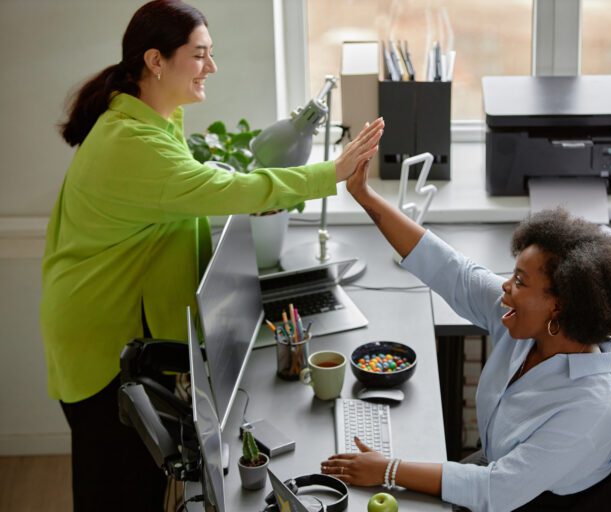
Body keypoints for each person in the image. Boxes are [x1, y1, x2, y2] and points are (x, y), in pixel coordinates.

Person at [39, 1, 383, 510]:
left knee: (141, 479)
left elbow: (185, 201)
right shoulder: (131, 141)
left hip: (121, 328)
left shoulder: (153, 122)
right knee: (117, 487)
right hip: (100, 342)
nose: (211, 67)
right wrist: (329, 173)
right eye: (199, 55)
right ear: (156, 61)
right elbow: (217, 189)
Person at [321, 160, 611, 511]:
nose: (506, 287)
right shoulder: (527, 323)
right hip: (501, 471)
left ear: (559, 305)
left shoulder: (588, 409)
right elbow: (451, 270)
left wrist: (389, 469)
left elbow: (497, 490)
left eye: (520, 281)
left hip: (546, 501)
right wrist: (364, 195)